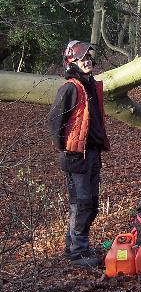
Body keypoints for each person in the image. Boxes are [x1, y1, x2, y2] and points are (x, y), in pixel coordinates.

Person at [47, 40, 110, 267]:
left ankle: (73, 245)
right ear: (71, 62)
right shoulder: (70, 88)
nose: (87, 61)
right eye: (82, 58)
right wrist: (66, 148)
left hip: (92, 153)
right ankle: (77, 252)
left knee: (90, 203)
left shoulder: (91, 85)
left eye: (89, 58)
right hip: (75, 156)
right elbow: (54, 121)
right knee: (82, 203)